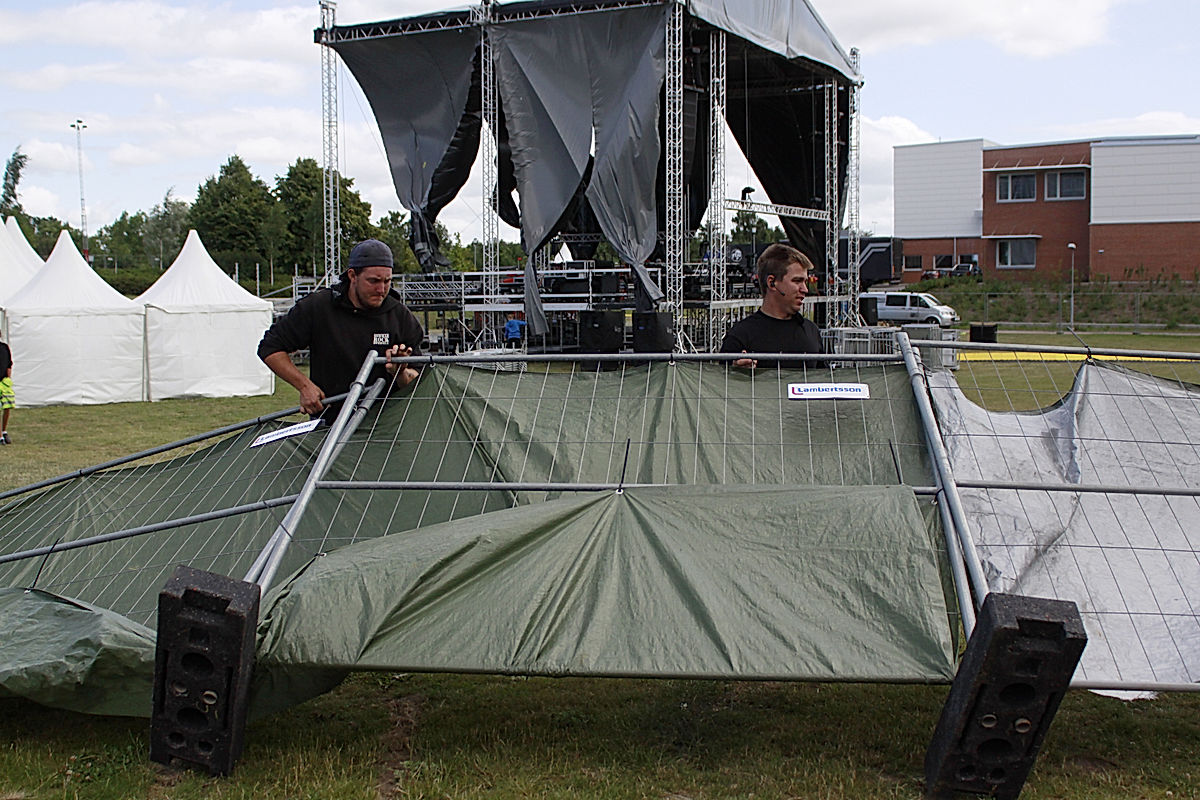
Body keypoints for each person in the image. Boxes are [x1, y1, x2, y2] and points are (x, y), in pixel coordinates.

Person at [258, 239, 424, 417]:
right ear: (352, 275)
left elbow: (419, 379)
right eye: (373, 281)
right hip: (329, 425)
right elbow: (270, 348)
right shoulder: (318, 307)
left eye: (387, 281)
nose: (381, 289)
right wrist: (304, 386)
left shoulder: (400, 316)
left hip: (385, 428)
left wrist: (401, 372)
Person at [719, 242, 822, 368]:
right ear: (772, 283)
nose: (805, 289)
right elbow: (722, 384)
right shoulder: (740, 336)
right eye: (797, 281)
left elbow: (827, 381)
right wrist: (737, 374)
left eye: (805, 282)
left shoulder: (811, 332)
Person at [0, 338, 12, 444]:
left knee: (7, 407)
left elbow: (9, 365)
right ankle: (0, 437)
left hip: (4, 383)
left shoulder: (4, 348)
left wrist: (8, 379)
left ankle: (4, 431)